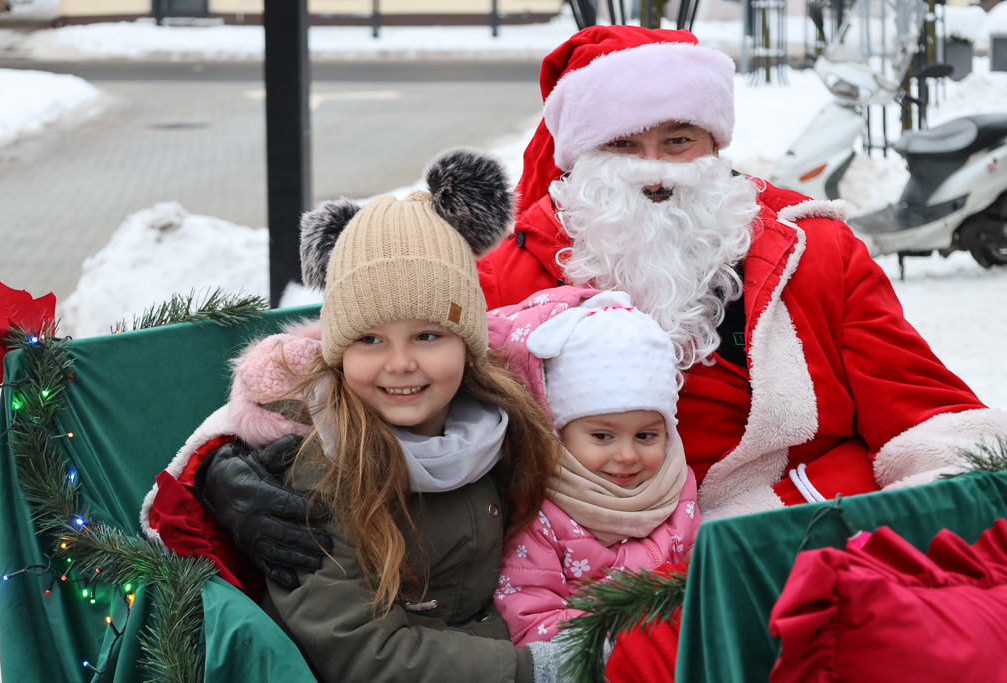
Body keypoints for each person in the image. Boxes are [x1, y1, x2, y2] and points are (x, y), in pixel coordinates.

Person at [475, 24, 1007, 519]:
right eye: (622, 145)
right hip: (603, 556)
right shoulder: (507, 277)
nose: (654, 172)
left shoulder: (815, 249)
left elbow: (922, 409)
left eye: (678, 141)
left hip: (796, 523)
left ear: (714, 144)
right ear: (579, 158)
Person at [143, 149, 570, 682]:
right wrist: (530, 669)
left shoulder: (497, 426)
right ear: (339, 353)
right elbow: (359, 650)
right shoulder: (323, 466)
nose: (400, 363)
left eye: (428, 335)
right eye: (369, 339)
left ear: (468, 344)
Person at [484, 287, 702, 645]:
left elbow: (705, 577)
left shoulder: (677, 487)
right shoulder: (538, 512)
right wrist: (634, 636)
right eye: (602, 436)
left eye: (646, 435)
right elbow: (530, 622)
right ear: (558, 433)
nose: (627, 456)